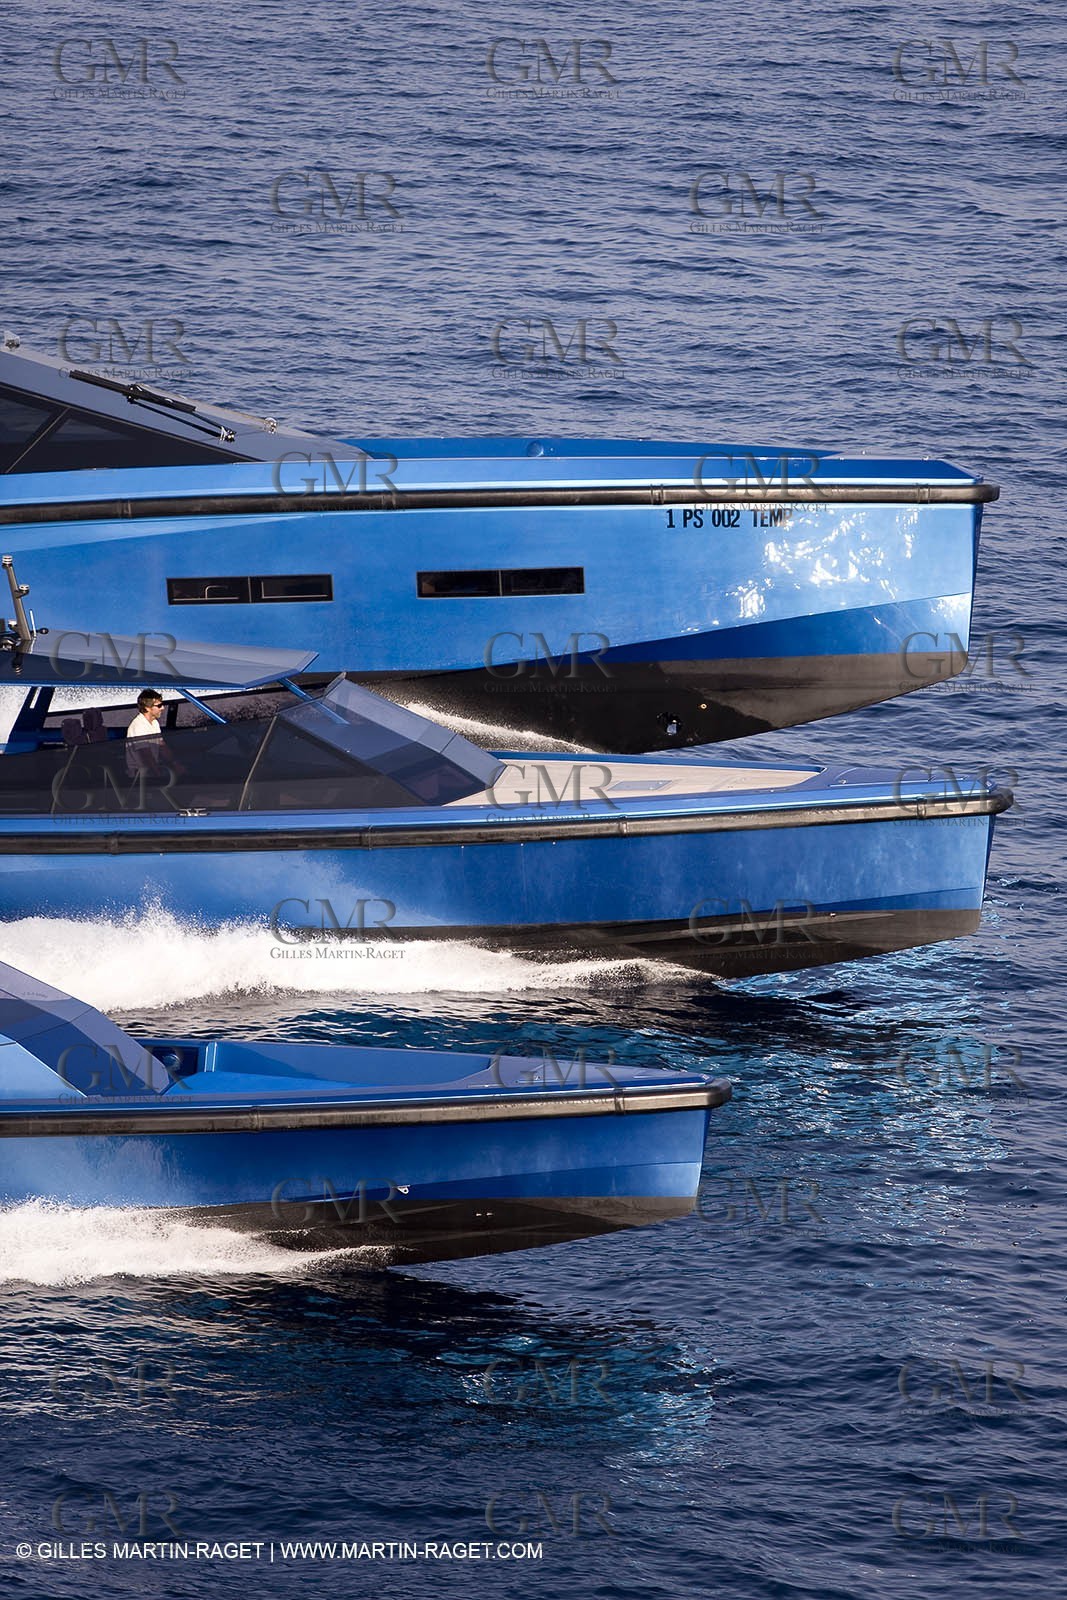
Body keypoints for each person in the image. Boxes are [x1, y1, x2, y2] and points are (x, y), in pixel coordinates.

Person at [125, 689, 166, 778]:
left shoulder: (155, 722)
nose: (163, 708)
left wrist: (175, 764)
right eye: (159, 705)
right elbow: (145, 754)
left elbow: (162, 746)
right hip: (140, 776)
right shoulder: (138, 726)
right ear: (147, 708)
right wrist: (157, 773)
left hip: (151, 770)